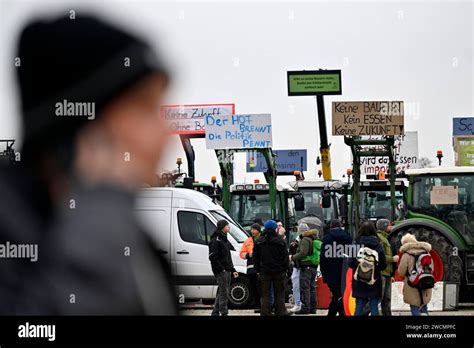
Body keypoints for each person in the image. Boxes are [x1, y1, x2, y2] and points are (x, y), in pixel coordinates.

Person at [6, 15, 178, 315]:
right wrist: (100, 207)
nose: (166, 133)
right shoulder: (13, 241)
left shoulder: (131, 235)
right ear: (81, 132)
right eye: (145, 107)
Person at [253, 220, 291, 316]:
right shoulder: (280, 241)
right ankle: (280, 311)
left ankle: (265, 312)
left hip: (264, 271)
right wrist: (285, 269)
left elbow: (255, 257)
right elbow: (285, 257)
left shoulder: (259, 241)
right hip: (279, 271)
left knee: (265, 294)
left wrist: (257, 270)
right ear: (275, 228)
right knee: (279, 293)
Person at [349, 221, 386, 316]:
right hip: (374, 280)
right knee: (374, 305)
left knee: (359, 304)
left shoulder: (355, 244)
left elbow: (350, 262)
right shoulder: (378, 244)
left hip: (359, 280)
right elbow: (383, 265)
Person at [320, 219, 353, 316]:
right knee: (338, 295)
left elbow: (323, 258)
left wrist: (323, 271)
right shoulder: (348, 237)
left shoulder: (327, 239)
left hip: (331, 272)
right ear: (341, 226)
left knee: (337, 296)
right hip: (345, 272)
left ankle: (341, 313)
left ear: (330, 227)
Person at [209, 220, 239, 316]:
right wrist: (221, 269)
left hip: (226, 270)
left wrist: (232, 269)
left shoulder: (224, 239)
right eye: (227, 226)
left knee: (222, 291)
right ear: (222, 227)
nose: (229, 227)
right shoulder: (216, 240)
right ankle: (224, 312)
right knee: (224, 292)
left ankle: (215, 312)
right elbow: (213, 257)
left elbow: (227, 257)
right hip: (221, 271)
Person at [397, 233, 433, 316]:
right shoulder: (427, 253)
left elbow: (401, 272)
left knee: (415, 307)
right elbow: (432, 269)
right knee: (424, 306)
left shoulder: (406, 255)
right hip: (425, 283)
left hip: (411, 285)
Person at [290, 228, 320, 314]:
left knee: (305, 287)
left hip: (306, 266)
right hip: (314, 266)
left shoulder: (305, 239)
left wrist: (293, 257)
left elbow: (303, 253)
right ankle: (312, 308)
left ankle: (305, 308)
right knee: (312, 287)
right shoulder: (315, 239)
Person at [376, 219, 400, 316]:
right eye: (389, 225)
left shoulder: (386, 238)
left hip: (387, 273)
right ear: (385, 227)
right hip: (382, 273)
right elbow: (378, 256)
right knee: (380, 297)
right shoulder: (379, 238)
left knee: (387, 298)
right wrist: (392, 259)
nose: (391, 227)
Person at [240, 223, 261, 313]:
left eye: (254, 229)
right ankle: (256, 304)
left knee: (260, 287)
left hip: (260, 268)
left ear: (258, 230)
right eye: (251, 229)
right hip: (251, 269)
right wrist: (249, 255)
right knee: (253, 287)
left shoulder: (262, 239)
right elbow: (241, 254)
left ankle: (261, 305)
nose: (252, 231)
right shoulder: (248, 241)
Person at [288, 223, 310, 313]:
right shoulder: (301, 239)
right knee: (300, 285)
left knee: (299, 286)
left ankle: (299, 305)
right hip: (299, 265)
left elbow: (301, 253)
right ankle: (301, 304)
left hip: (300, 265)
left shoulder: (303, 239)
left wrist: (292, 257)